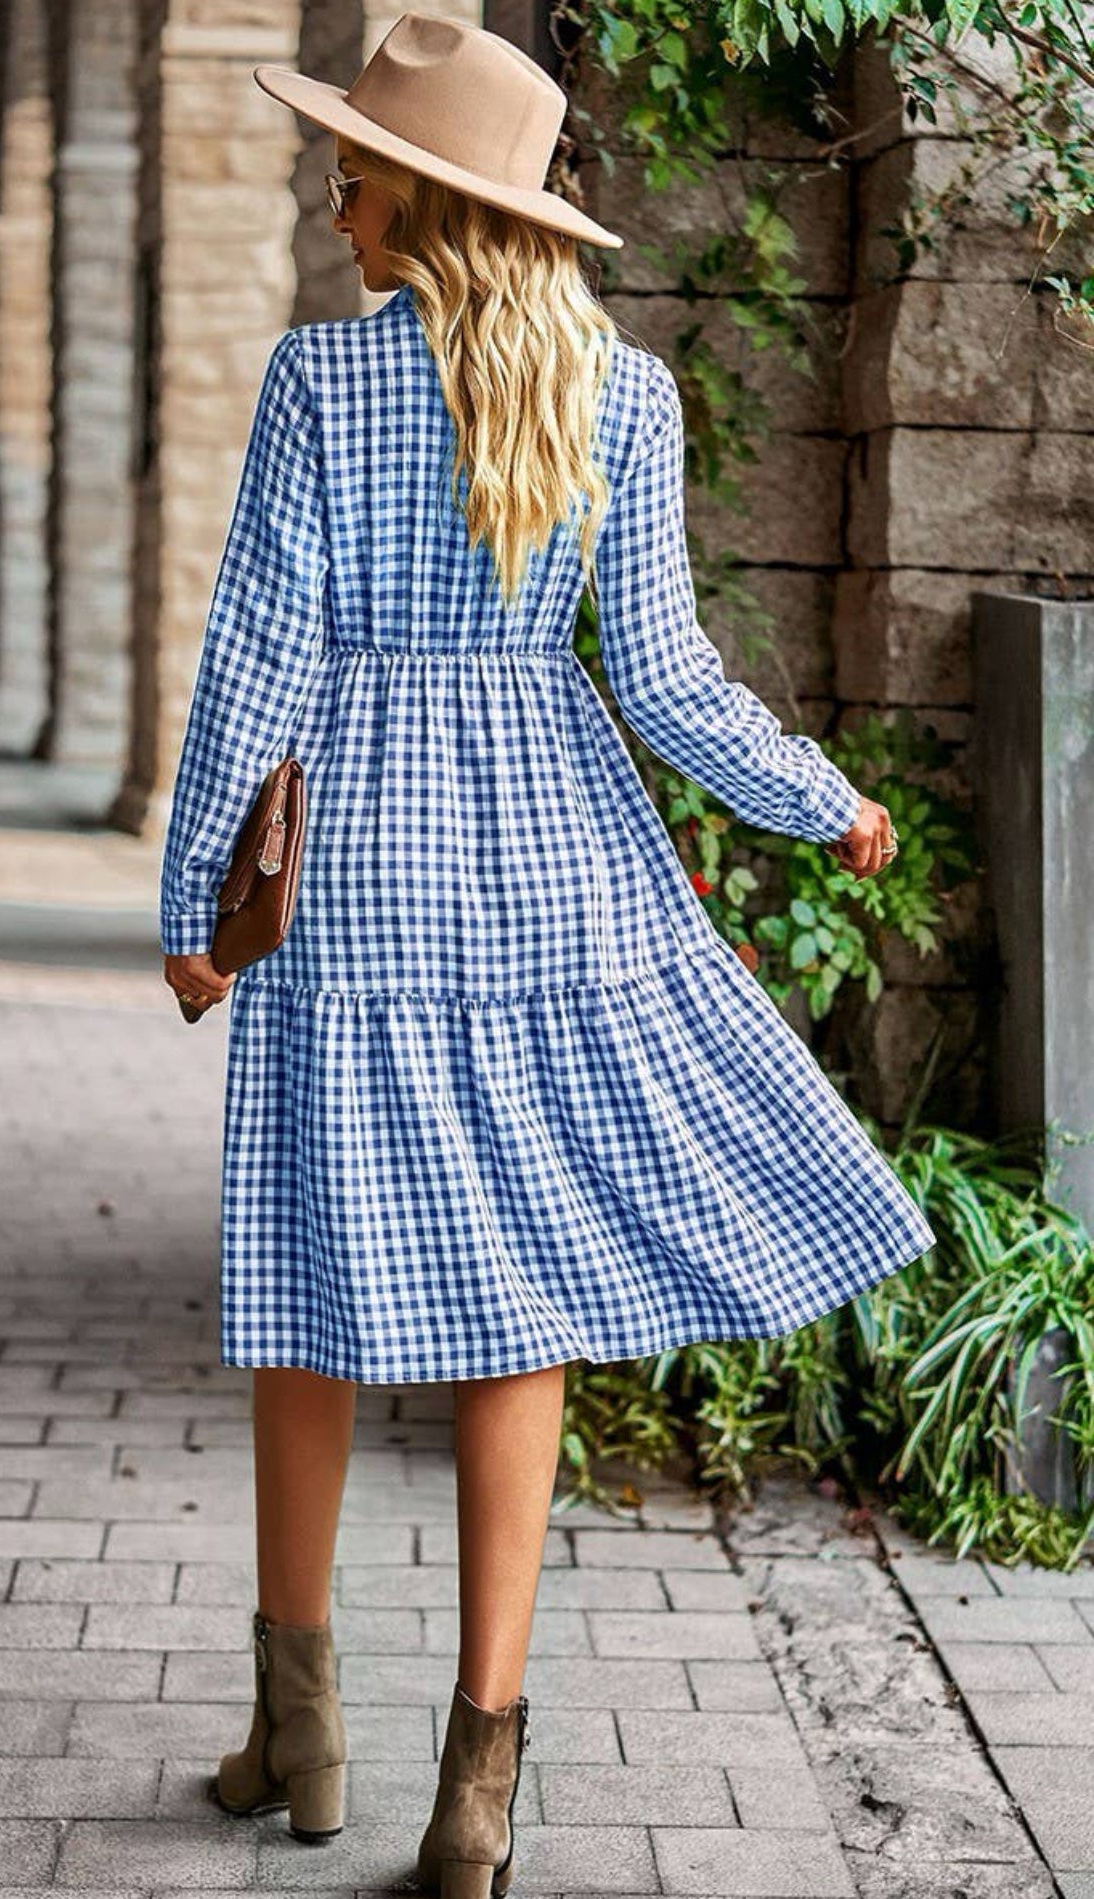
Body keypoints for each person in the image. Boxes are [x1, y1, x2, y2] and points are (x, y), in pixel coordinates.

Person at [157, 14, 936, 1896]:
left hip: (360, 879)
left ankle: (300, 1722)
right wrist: (817, 794)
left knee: (304, 1280)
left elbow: (259, 663)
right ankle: (478, 1784)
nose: (334, 200)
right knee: (520, 1304)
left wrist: (195, 912)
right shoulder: (626, 394)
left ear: (426, 192)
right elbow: (662, 682)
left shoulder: (321, 390)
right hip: (550, 868)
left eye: (355, 171)